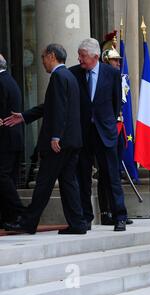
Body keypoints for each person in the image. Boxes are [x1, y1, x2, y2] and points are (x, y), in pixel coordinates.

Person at [2, 44, 87, 235]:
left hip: (58, 142)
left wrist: (56, 135)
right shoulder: (70, 77)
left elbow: (59, 110)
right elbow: (49, 106)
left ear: (51, 56)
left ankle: (28, 223)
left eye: (43, 57)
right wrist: (23, 116)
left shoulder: (58, 77)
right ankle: (78, 223)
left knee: (43, 183)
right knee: (68, 183)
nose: (42, 62)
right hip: (72, 141)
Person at [69, 38, 128, 232]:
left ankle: (119, 215)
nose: (80, 59)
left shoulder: (111, 73)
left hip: (105, 132)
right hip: (83, 133)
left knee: (111, 175)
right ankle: (86, 217)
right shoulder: (73, 73)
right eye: (79, 55)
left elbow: (116, 103)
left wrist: (107, 123)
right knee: (83, 176)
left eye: (83, 56)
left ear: (95, 56)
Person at [97, 31, 133, 227]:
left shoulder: (116, 77)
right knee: (105, 173)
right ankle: (106, 210)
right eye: (114, 60)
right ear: (105, 60)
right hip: (105, 129)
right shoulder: (101, 77)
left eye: (119, 61)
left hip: (116, 128)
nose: (118, 64)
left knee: (115, 171)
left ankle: (116, 210)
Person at [0, 54, 26, 227]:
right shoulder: (9, 79)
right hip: (12, 136)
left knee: (2, 176)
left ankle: (20, 213)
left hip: (5, 137)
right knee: (6, 176)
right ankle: (9, 216)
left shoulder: (1, 82)